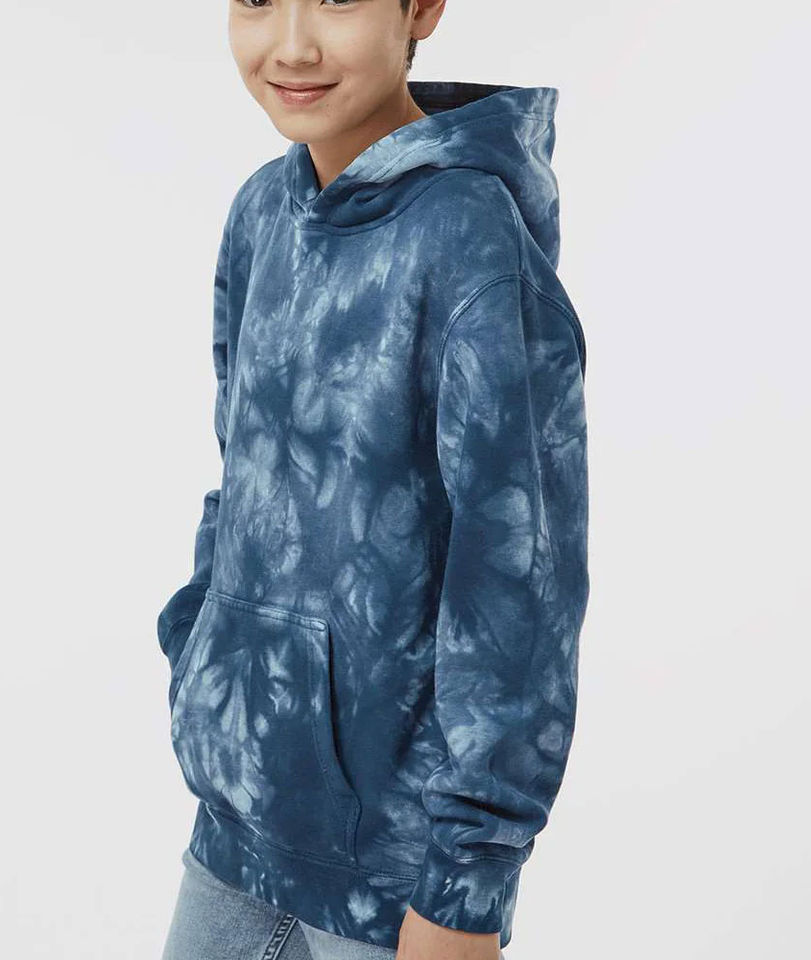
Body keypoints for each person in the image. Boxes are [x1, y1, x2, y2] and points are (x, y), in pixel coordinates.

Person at [156, 2, 589, 958]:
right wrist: (202, 661)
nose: (293, 45)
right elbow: (240, 476)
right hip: (235, 819)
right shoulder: (261, 213)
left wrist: (466, 883)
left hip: (394, 877)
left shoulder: (470, 238)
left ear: (421, 7)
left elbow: (518, 582)